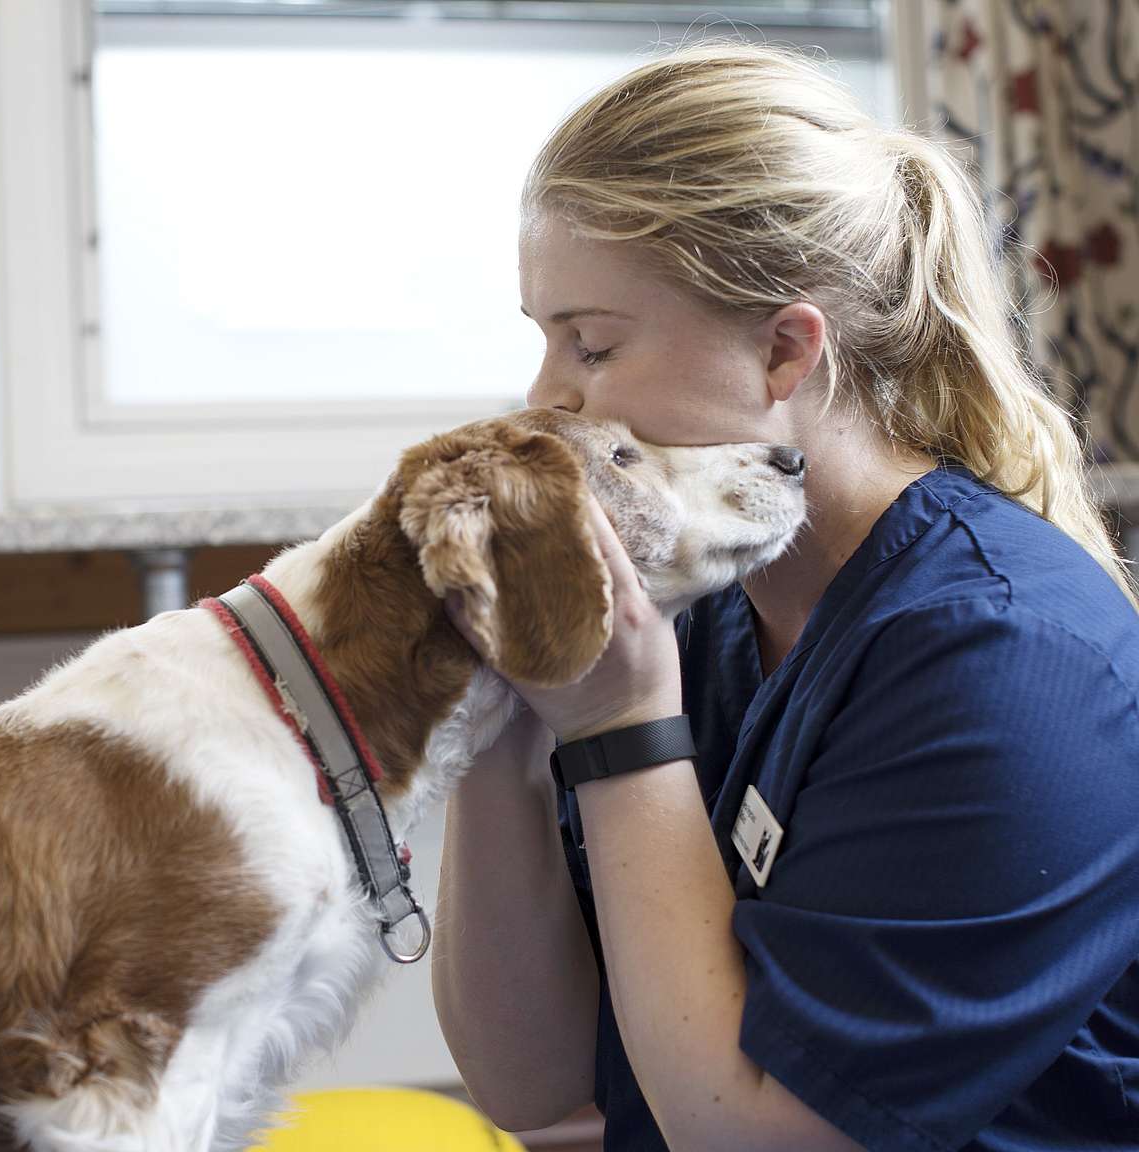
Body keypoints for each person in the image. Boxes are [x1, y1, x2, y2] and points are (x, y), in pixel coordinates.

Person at [431, 41, 1139, 1152]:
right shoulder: (701, 603)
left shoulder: (1009, 659)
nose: (547, 397)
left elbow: (751, 1136)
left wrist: (620, 729)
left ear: (782, 353)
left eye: (593, 344)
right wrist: (496, 729)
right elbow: (533, 1085)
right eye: (543, 339)